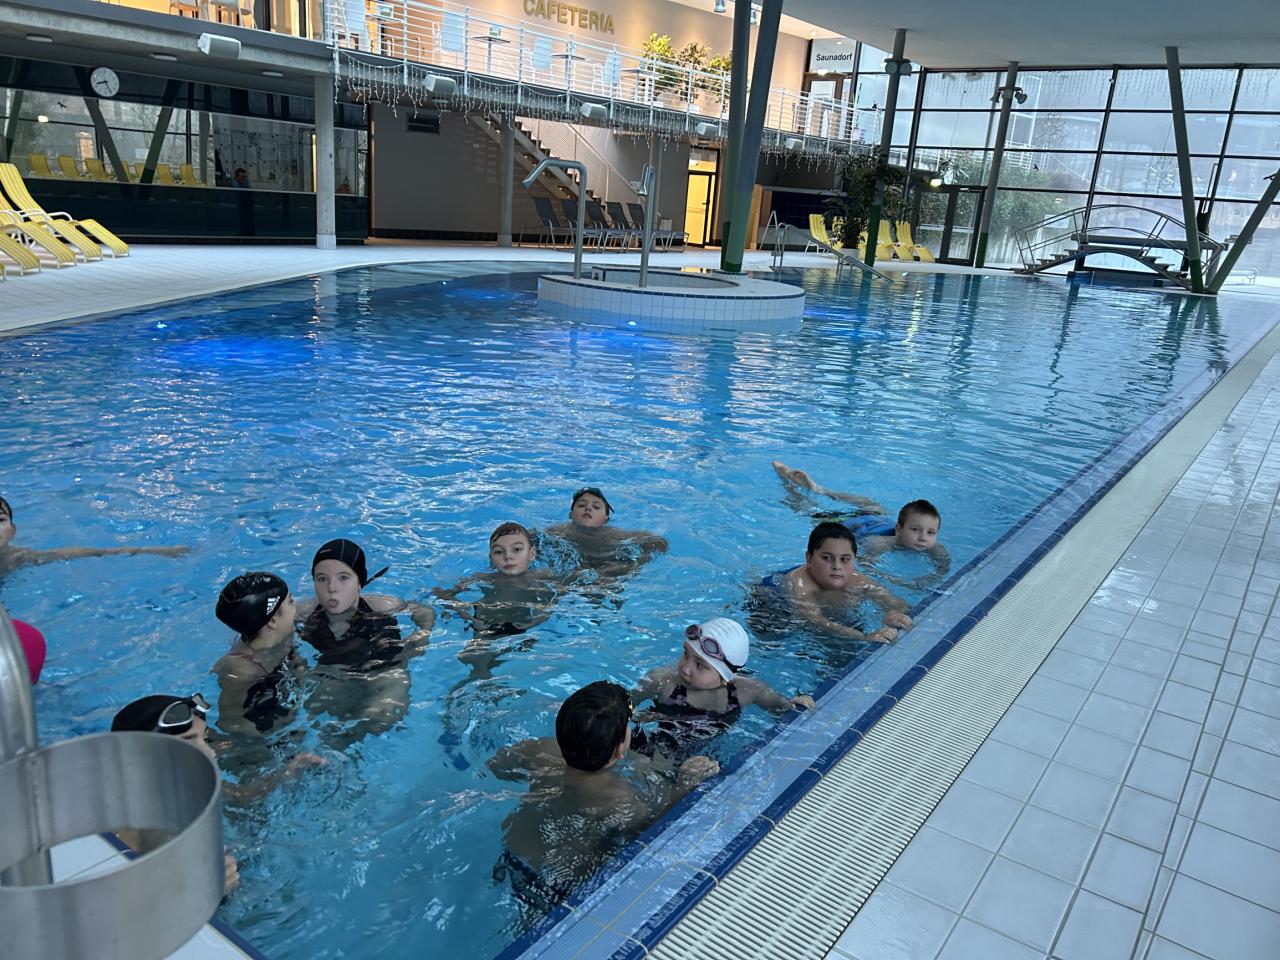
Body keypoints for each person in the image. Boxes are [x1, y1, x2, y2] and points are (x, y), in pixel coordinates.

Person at [489, 680, 718, 917]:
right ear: (619, 750)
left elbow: (496, 766)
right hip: (556, 886)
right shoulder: (619, 798)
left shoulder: (540, 750)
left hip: (514, 857)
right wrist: (683, 788)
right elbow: (655, 832)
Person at [297, 538, 434, 737]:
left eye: (343, 578)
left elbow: (425, 612)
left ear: (359, 582)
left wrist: (419, 641)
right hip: (336, 674)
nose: (332, 587)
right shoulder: (304, 612)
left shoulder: (384, 606)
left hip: (385, 673)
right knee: (315, 717)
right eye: (321, 579)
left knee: (381, 716)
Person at [630, 618, 816, 761]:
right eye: (686, 654)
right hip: (653, 748)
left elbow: (778, 705)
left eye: (700, 665)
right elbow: (622, 705)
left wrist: (792, 704)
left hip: (703, 755)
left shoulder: (746, 691)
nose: (685, 668)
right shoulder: (662, 681)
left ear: (725, 675)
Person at [109, 694, 240, 897]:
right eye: (188, 743)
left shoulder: (179, 797)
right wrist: (206, 893)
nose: (211, 753)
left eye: (205, 739)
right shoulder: (151, 826)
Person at [0, 495, 189, 581]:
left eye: (0, 520)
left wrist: (151, 551)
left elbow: (81, 553)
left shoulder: (17, 558)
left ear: (13, 532)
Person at [780, 522, 913, 643]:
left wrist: (893, 613)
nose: (837, 566)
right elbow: (816, 622)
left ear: (854, 560)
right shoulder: (800, 585)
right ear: (809, 558)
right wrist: (864, 637)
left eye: (844, 559)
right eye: (827, 558)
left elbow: (896, 602)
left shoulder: (857, 581)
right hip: (777, 609)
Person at [211, 572, 305, 735]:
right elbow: (231, 724)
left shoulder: (279, 635)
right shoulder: (241, 671)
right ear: (273, 620)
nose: (296, 606)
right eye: (290, 601)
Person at [540, 487, 668, 578]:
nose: (588, 508)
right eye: (581, 505)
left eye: (596, 507)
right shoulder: (556, 532)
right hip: (573, 571)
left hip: (605, 570)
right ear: (571, 515)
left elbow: (658, 542)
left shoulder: (613, 534)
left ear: (605, 519)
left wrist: (637, 564)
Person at [851, 499, 951, 591]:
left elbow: (943, 569)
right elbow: (864, 566)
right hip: (859, 523)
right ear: (899, 530)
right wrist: (899, 582)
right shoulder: (880, 544)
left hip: (882, 521)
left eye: (930, 532)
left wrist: (933, 578)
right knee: (872, 508)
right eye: (915, 530)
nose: (923, 538)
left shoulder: (937, 549)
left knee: (877, 511)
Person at [771, 460, 884, 517]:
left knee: (810, 510)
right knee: (874, 506)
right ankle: (819, 490)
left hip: (846, 526)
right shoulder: (883, 543)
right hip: (872, 519)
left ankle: (789, 485)